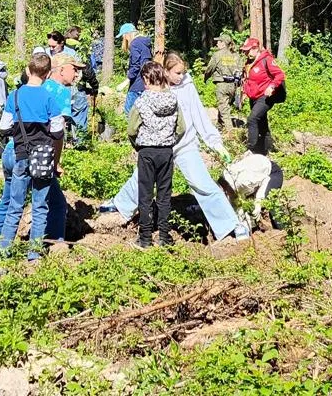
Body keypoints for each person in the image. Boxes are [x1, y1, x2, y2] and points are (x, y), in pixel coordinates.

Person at [104, 53, 247, 241]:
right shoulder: (154, 86)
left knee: (201, 183)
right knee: (142, 178)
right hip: (159, 147)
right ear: (165, 71)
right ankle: (121, 204)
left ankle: (231, 225)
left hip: (184, 144)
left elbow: (198, 116)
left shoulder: (187, 86)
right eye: (177, 73)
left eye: (183, 72)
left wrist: (215, 143)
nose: (181, 76)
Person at [0, 50, 68, 261]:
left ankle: (4, 253)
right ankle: (34, 255)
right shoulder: (49, 97)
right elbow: (57, 131)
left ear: (28, 71)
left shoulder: (15, 95)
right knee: (39, 208)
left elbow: (4, 127)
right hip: (43, 159)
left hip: (19, 155)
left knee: (14, 206)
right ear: (47, 75)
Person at [128, 60, 180, 248]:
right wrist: (169, 140)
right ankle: (165, 237)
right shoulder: (173, 100)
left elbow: (132, 129)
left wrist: (138, 146)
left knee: (145, 196)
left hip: (147, 152)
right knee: (165, 195)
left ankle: (145, 238)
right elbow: (180, 128)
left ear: (145, 79)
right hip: (166, 151)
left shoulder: (141, 102)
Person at [241, 36, 287, 156]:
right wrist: (245, 93)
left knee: (252, 119)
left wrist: (271, 87)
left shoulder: (266, 59)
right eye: (245, 51)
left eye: (248, 50)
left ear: (256, 48)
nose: (246, 53)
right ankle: (265, 150)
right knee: (261, 122)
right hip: (254, 97)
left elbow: (280, 75)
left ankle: (252, 149)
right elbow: (248, 80)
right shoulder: (249, 62)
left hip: (265, 97)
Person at [221, 151, 283, 231]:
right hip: (256, 175)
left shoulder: (243, 181)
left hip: (271, 173)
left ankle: (283, 230)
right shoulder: (227, 184)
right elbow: (237, 206)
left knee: (269, 199)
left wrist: (258, 201)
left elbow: (266, 179)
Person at [207, 36, 246, 129]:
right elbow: (241, 70)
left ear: (223, 43)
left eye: (219, 42)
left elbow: (210, 68)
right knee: (225, 105)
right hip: (233, 85)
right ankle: (220, 126)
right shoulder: (236, 55)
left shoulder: (217, 55)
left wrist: (206, 77)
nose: (217, 44)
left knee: (223, 108)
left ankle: (230, 132)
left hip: (222, 85)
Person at [122, 23, 152, 115]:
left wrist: (127, 80)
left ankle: (129, 129)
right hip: (147, 80)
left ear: (127, 34)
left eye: (123, 37)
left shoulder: (134, 43)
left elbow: (135, 65)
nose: (124, 39)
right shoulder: (145, 42)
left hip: (137, 82)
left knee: (129, 110)